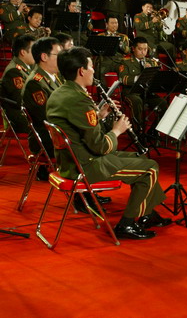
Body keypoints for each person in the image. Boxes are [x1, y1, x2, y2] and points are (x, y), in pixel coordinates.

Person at [46, 47, 171, 240]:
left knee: (138, 157)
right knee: (150, 168)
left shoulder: (60, 93)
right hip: (85, 165)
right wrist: (117, 130)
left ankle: (147, 212)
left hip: (69, 161)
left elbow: (77, 127)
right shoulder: (79, 100)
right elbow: (100, 146)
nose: (94, 71)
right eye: (91, 67)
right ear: (81, 71)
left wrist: (98, 116)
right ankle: (127, 224)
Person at [21, 37, 62, 164]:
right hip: (48, 138)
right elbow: (47, 117)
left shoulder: (53, 77)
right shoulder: (35, 83)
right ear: (44, 57)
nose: (62, 58)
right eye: (58, 55)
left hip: (57, 133)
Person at [118, 37, 167, 133]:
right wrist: (141, 76)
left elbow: (157, 79)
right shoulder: (125, 61)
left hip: (147, 91)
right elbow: (122, 79)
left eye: (145, 49)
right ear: (133, 48)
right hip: (131, 91)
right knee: (137, 101)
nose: (143, 52)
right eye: (140, 49)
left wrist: (151, 72)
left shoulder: (151, 62)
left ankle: (153, 131)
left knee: (163, 103)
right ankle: (137, 131)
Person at [0, 34, 36, 134]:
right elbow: (20, 100)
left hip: (27, 112)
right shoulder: (14, 71)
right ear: (23, 52)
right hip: (20, 117)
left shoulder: (26, 66)